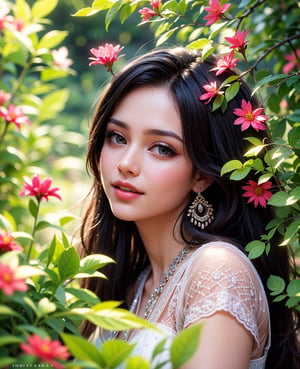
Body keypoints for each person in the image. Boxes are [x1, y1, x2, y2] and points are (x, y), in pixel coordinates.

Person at [79, 47, 300, 369]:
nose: (125, 164)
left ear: (203, 175)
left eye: (162, 149)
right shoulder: (134, 280)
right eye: (117, 137)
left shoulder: (216, 272)